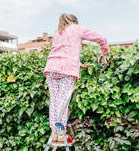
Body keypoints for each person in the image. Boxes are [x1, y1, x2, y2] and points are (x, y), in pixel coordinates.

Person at [44, 13, 109, 144]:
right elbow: (101, 38)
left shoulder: (58, 32)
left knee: (55, 101)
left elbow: (62, 53)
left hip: (51, 69)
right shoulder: (77, 28)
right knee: (63, 101)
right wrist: (104, 53)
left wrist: (82, 65)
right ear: (74, 21)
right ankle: (61, 133)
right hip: (67, 70)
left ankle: (55, 133)